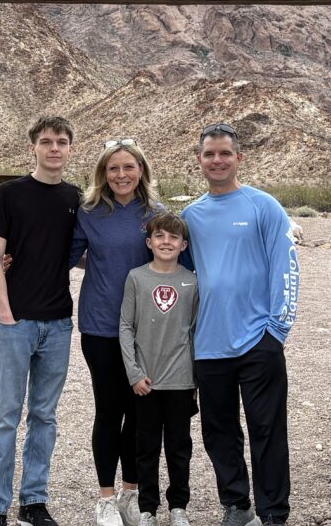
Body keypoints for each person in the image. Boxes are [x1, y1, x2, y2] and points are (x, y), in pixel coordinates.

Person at [181, 122, 300, 526]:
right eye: (209, 154)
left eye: (225, 154)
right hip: (208, 343)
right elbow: (173, 271)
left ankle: (273, 513)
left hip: (258, 341)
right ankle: (236, 504)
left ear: (238, 158)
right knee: (218, 431)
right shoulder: (190, 216)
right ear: (199, 161)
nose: (217, 160)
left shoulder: (263, 206)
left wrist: (276, 331)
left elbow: (286, 269)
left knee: (267, 429)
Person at [0, 116, 82, 526]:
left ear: (70, 148)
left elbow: (80, 252)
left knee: (44, 415)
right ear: (33, 147)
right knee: (6, 413)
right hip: (17, 321)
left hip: (58, 322)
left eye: (61, 142)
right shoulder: (9, 195)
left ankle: (34, 500)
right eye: (45, 141)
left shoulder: (75, 198)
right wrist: (5, 312)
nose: (53, 148)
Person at [70, 139, 163, 526]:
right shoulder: (89, 212)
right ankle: (105, 499)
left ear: (141, 170)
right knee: (109, 410)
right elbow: (68, 253)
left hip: (147, 329)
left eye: (128, 167)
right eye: (113, 168)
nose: (121, 175)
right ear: (102, 174)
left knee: (140, 414)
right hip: (101, 325)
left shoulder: (156, 212)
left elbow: (173, 259)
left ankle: (131, 495)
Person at [118, 212, 198, 526]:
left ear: (184, 244)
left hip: (180, 381)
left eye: (173, 237)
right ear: (149, 242)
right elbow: (126, 326)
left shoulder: (191, 281)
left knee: (179, 448)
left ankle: (178, 507)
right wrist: (134, 373)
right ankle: (148, 509)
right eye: (160, 236)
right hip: (146, 382)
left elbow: (194, 330)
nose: (167, 242)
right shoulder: (137, 278)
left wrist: (196, 378)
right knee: (146, 447)